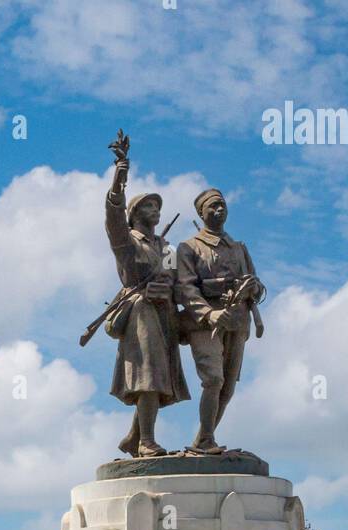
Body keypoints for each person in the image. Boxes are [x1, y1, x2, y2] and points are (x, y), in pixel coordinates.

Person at [104, 137, 190, 458]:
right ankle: (145, 441)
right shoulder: (127, 242)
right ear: (135, 213)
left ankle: (133, 436)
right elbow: (113, 216)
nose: (155, 210)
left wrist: (167, 290)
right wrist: (119, 176)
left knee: (158, 377)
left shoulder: (165, 248)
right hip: (139, 311)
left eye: (157, 206)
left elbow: (173, 278)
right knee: (148, 376)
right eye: (148, 205)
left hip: (164, 313)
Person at [176, 188, 264, 453]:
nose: (219, 210)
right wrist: (210, 313)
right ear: (201, 213)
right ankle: (205, 441)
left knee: (227, 386)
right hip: (205, 324)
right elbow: (185, 289)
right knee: (213, 379)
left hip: (238, 323)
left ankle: (204, 439)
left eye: (222, 205)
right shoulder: (188, 248)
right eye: (212, 207)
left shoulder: (239, 248)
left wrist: (253, 288)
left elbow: (257, 286)